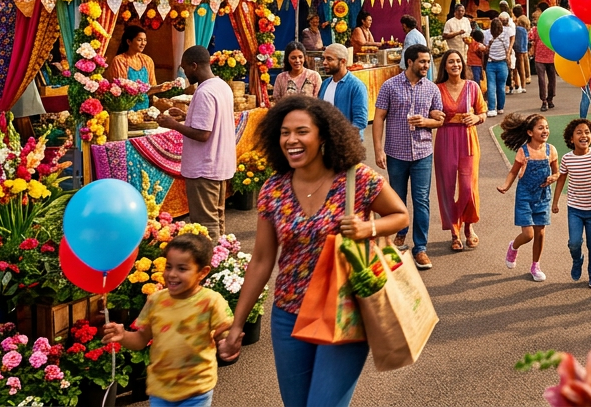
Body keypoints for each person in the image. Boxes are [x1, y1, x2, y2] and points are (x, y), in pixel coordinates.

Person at [219, 96, 409, 407]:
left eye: (301, 131)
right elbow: (262, 260)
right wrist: (237, 324)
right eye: (284, 132)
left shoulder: (355, 178)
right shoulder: (273, 189)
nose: (291, 140)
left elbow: (400, 215)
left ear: (323, 135)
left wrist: (367, 229)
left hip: (345, 309)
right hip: (288, 314)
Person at [102, 233, 233, 407]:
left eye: (182, 268)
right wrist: (123, 335)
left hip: (196, 390)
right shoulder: (156, 301)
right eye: (168, 266)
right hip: (160, 390)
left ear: (203, 272)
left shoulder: (211, 301)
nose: (171, 274)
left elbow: (224, 333)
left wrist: (227, 344)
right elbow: (141, 340)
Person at [373, 44, 444, 267]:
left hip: (423, 152)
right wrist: (378, 149)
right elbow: (378, 118)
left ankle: (421, 248)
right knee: (396, 199)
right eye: (422, 61)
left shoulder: (432, 88)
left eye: (428, 61)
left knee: (421, 200)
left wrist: (426, 122)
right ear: (410, 62)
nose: (426, 65)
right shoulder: (389, 86)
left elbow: (440, 120)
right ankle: (400, 235)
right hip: (396, 153)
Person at [158, 46, 235, 240]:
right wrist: (186, 116)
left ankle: (210, 263)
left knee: (206, 226)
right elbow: (212, 120)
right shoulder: (221, 86)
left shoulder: (205, 92)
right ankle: (222, 260)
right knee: (216, 219)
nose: (184, 73)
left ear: (194, 65)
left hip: (204, 168)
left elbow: (203, 134)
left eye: (185, 68)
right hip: (218, 165)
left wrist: (173, 124)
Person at [432, 49, 486, 251]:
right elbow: (429, 110)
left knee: (467, 187)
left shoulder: (472, 87)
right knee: (446, 187)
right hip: (445, 138)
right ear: (444, 66)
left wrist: (477, 118)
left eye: (458, 61)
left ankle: (469, 227)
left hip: (468, 139)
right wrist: (433, 113)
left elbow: (483, 111)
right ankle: (454, 232)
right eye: (451, 62)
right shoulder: (436, 88)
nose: (455, 65)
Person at [552, 119, 591, 288]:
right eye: (579, 132)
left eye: (587, 132)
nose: (583, 135)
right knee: (574, 242)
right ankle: (577, 260)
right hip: (575, 208)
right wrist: (555, 201)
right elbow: (561, 179)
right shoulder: (567, 159)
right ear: (571, 138)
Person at [497, 113, 559, 282]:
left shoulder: (551, 150)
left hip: (543, 196)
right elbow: (513, 171)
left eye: (546, 127)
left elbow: (557, 172)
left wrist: (554, 177)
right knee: (529, 234)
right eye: (540, 128)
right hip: (525, 196)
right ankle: (513, 246)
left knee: (540, 233)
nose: (545, 130)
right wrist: (506, 186)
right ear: (530, 132)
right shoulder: (523, 151)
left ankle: (535, 265)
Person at [108, 25, 169, 110]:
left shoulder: (147, 60)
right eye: (139, 40)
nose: (143, 43)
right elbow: (120, 90)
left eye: (145, 40)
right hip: (126, 108)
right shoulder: (119, 60)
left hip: (143, 108)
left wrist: (160, 88)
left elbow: (150, 88)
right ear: (129, 42)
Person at [318, 44, 369, 135]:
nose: (324, 62)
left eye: (329, 59)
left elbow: (360, 121)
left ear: (343, 61)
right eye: (324, 58)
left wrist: (344, 140)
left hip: (347, 144)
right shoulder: (325, 84)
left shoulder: (357, 86)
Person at [485, 16, 512, 117]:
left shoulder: (487, 34)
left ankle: (492, 109)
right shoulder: (505, 34)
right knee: (501, 87)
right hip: (502, 63)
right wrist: (508, 60)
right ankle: (500, 107)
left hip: (490, 63)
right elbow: (507, 48)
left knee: (491, 86)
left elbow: (486, 49)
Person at [533, 13, 558, 112]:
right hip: (549, 56)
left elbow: (533, 40)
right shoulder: (553, 29)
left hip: (540, 56)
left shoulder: (537, 29)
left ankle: (545, 100)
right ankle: (549, 99)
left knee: (542, 80)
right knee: (551, 79)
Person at [513, 5, 531, 95]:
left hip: (520, 42)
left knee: (521, 63)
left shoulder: (519, 20)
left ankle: (524, 80)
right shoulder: (525, 18)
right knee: (525, 60)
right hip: (525, 41)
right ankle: (528, 76)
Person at [467, 27, 487, 95]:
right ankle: (478, 93)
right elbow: (484, 50)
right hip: (478, 64)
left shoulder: (471, 44)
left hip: (470, 63)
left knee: (472, 79)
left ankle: (474, 92)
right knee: (477, 79)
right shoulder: (480, 45)